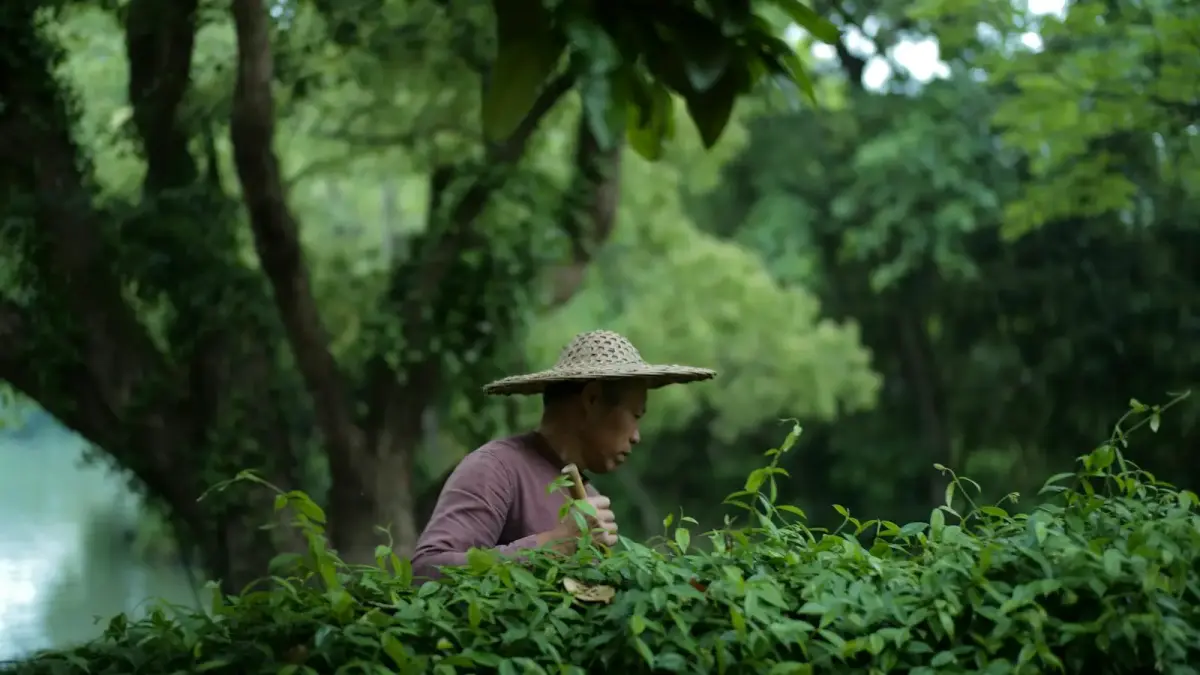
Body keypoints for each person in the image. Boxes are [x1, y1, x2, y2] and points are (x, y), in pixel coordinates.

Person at [411, 330, 715, 580]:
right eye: (635, 414)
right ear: (592, 400)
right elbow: (426, 572)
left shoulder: (589, 498)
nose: (637, 435)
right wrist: (554, 545)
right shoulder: (497, 468)